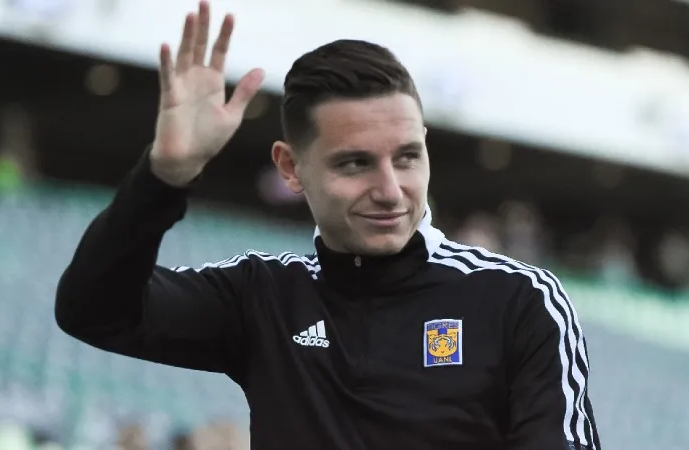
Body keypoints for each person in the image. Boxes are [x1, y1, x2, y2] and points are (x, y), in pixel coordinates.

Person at [55, 2, 600, 448]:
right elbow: (93, 311)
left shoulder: (518, 301)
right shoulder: (264, 297)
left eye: (407, 157)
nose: (391, 190)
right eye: (355, 163)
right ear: (291, 168)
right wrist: (163, 177)